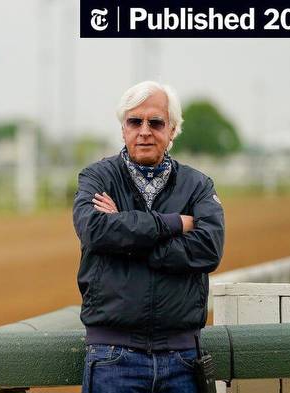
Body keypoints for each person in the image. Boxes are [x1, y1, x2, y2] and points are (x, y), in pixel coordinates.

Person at [73, 81, 225, 393]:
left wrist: (130, 240)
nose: (144, 131)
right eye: (134, 121)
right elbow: (95, 230)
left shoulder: (198, 186)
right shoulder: (97, 177)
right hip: (112, 358)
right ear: (123, 129)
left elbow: (209, 248)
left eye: (155, 122)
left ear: (172, 130)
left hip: (182, 359)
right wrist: (173, 223)